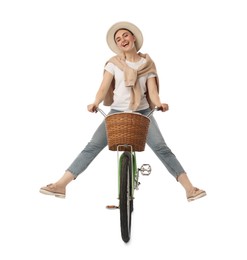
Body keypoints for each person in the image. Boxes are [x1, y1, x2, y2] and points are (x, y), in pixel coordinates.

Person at [40, 21, 206, 202]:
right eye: (118, 39)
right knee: (92, 147)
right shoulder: (113, 64)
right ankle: (61, 185)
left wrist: (159, 104)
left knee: (161, 148)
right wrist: (95, 102)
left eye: (125, 35)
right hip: (116, 113)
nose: (122, 40)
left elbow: (152, 92)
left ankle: (189, 189)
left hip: (142, 113)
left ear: (133, 37)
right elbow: (103, 88)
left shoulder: (147, 64)